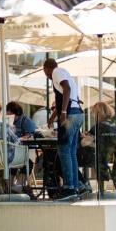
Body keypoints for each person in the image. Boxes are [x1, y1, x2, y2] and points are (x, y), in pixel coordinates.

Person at [44, 58, 88, 198]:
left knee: (63, 150)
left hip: (70, 115)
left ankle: (69, 187)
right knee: (71, 152)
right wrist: (52, 118)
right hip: (77, 114)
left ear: (46, 69)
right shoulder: (64, 73)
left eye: (45, 72)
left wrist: (63, 113)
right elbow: (65, 97)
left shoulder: (56, 72)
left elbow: (67, 89)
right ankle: (75, 186)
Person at [89, 102, 116, 184]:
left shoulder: (98, 127)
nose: (93, 116)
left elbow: (88, 140)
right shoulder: (115, 127)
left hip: (100, 159)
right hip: (112, 157)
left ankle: (83, 184)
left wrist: (85, 137)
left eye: (94, 113)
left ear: (98, 113)